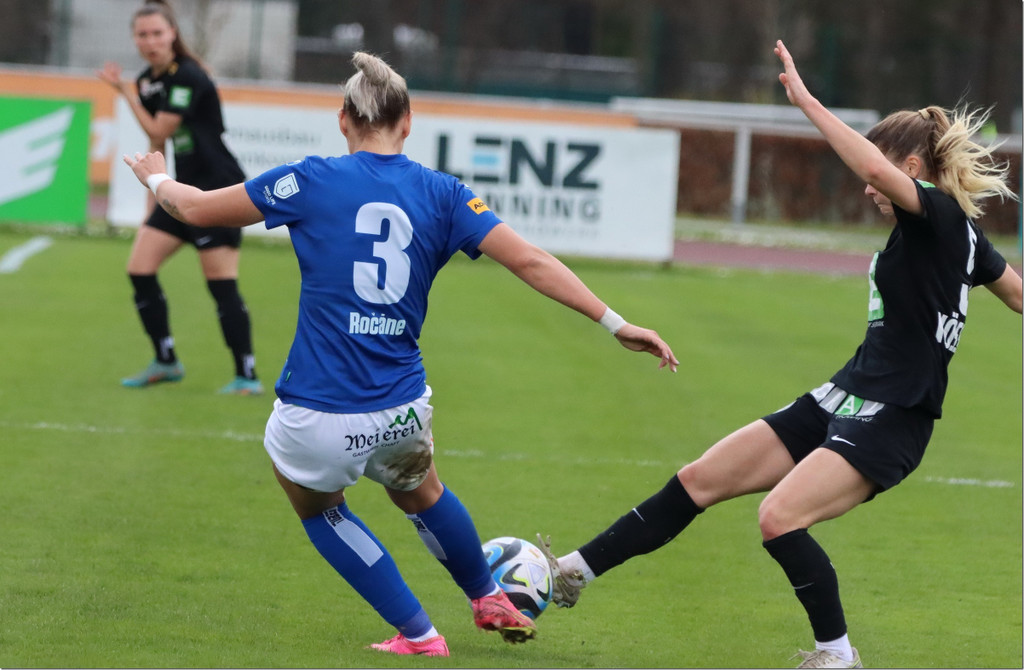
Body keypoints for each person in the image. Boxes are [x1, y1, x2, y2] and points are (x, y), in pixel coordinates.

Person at [123, 51, 678, 657]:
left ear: (343, 120)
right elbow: (530, 260)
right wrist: (615, 323)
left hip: (319, 411)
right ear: (408, 121)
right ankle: (487, 594)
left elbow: (194, 207)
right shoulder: (445, 193)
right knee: (421, 490)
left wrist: (155, 177)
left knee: (317, 509)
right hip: (403, 408)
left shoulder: (309, 178)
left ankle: (419, 634)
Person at [537, 39, 1022, 669]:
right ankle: (571, 573)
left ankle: (837, 655)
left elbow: (880, 175)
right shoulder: (958, 235)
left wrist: (807, 103)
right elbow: (1018, 295)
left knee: (779, 518)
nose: (866, 187)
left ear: (909, 167)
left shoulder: (942, 219)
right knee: (700, 479)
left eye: (877, 172)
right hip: (846, 394)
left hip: (894, 415)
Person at [98, 0, 262, 395]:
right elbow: (157, 145)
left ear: (172, 33)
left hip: (216, 189)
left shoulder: (187, 75)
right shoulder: (146, 81)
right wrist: (153, 196)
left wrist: (123, 93)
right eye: (142, 34)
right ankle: (166, 360)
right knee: (139, 268)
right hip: (180, 192)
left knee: (221, 284)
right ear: (134, 39)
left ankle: (247, 375)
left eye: (157, 33)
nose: (150, 41)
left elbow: (160, 128)